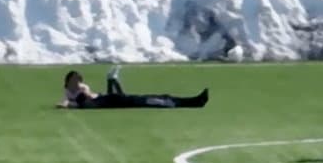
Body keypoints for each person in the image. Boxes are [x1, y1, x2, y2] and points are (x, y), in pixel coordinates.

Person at [57, 67, 209, 110]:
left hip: (107, 100)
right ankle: (194, 102)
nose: (78, 83)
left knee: (151, 98)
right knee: (154, 100)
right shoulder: (77, 96)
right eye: (75, 81)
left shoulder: (82, 91)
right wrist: (69, 104)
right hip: (108, 101)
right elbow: (71, 101)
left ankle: (194, 101)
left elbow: (89, 97)